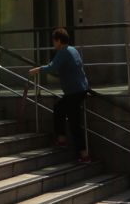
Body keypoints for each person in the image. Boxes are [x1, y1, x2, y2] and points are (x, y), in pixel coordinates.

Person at [30, 27, 91, 164]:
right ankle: (62, 139)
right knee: (59, 109)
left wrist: (37, 69)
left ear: (58, 40)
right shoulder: (73, 50)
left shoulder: (63, 52)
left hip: (74, 92)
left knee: (74, 124)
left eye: (54, 41)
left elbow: (52, 67)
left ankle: (83, 154)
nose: (53, 44)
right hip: (81, 89)